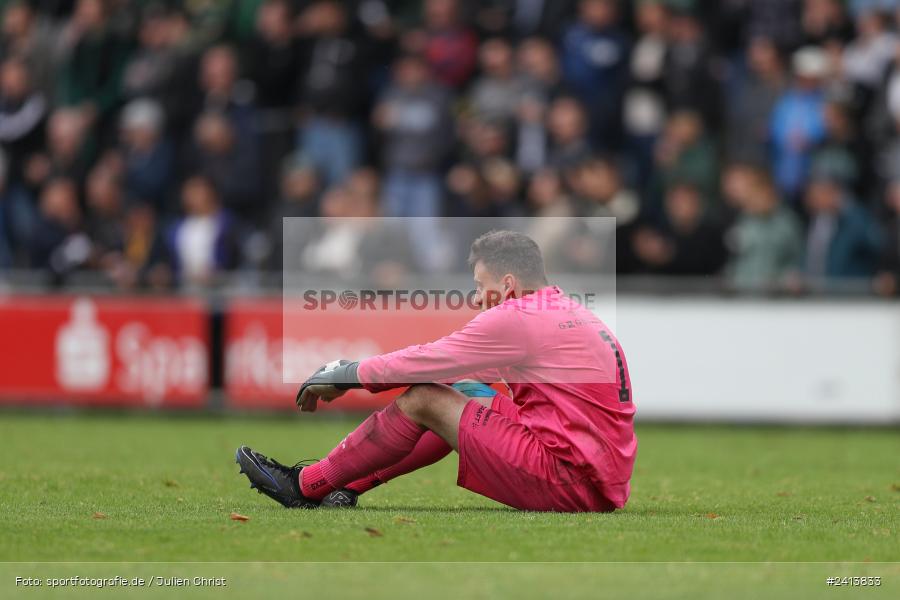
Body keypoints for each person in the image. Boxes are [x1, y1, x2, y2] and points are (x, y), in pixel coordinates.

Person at [236, 230, 636, 512]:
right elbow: (454, 372)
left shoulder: (517, 317)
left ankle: (306, 487)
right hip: (602, 477)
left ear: (509, 284)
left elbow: (428, 360)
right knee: (459, 388)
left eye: (481, 285)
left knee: (425, 397)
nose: (477, 297)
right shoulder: (567, 310)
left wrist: (347, 374)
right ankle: (343, 485)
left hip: (570, 480)